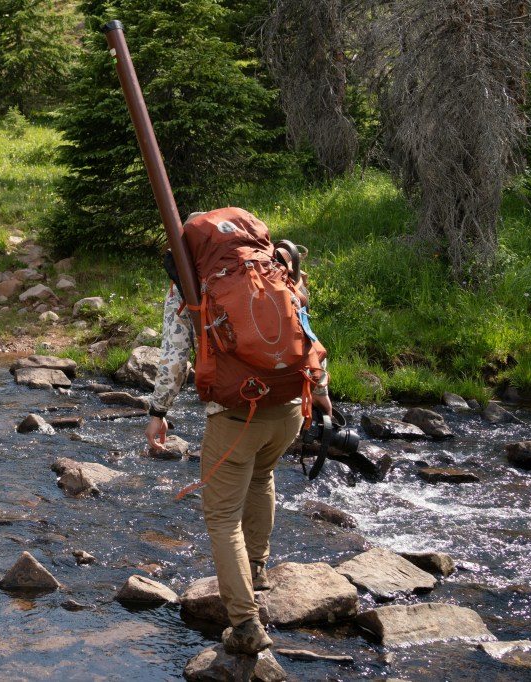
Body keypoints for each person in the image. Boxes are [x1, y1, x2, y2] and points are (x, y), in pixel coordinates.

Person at [144, 219, 332, 657]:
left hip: (235, 415)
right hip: (288, 406)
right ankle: (259, 569)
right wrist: (320, 392)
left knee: (222, 518)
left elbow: (175, 358)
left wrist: (158, 412)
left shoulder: (191, 288)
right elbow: (306, 334)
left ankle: (245, 624)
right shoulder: (277, 270)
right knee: (262, 478)